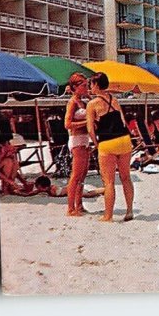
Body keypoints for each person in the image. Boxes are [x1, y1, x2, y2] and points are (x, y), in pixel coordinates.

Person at [86, 72, 134, 222]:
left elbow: (90, 129)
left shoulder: (92, 104)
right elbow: (122, 120)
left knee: (108, 182)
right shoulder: (114, 99)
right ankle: (129, 211)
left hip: (108, 142)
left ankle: (108, 216)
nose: (90, 87)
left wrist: (96, 144)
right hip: (124, 140)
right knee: (126, 177)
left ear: (96, 85)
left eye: (91, 84)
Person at [64, 73, 91, 217]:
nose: (87, 88)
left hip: (85, 138)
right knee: (75, 175)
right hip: (77, 139)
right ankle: (70, 208)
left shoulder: (84, 102)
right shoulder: (72, 102)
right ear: (75, 87)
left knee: (83, 174)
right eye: (84, 85)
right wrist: (87, 122)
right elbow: (67, 124)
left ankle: (79, 205)